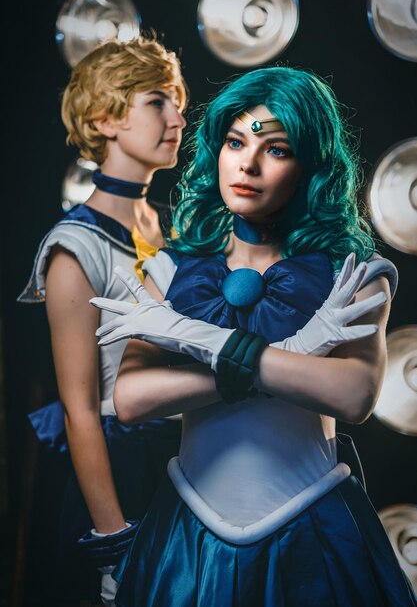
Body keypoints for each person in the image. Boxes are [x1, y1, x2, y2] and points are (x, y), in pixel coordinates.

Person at [93, 66, 416, 606]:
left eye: (277, 149)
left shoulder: (356, 272)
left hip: (313, 529)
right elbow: (129, 400)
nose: (248, 163)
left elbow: (353, 394)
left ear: (310, 164)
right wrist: (292, 360)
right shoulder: (171, 269)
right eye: (235, 141)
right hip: (188, 534)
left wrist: (209, 344)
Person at [18, 35, 187, 606]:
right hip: (119, 472)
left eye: (178, 100)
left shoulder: (171, 228)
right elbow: (80, 410)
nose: (178, 115)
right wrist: (114, 542)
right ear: (105, 119)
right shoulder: (73, 247)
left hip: (187, 460)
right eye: (157, 102)